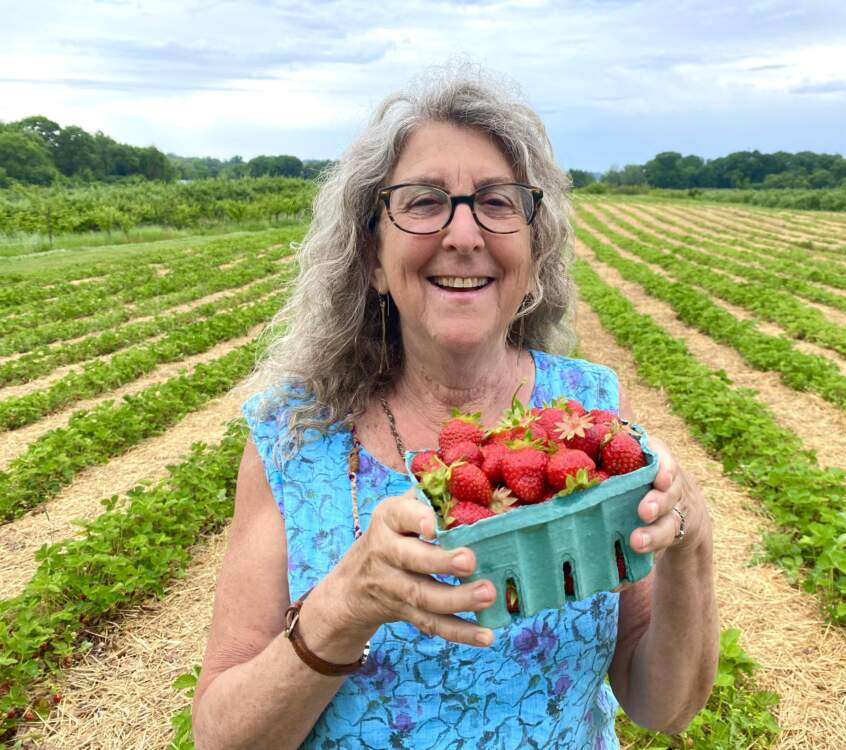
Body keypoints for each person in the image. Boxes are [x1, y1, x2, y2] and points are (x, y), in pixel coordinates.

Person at [191, 67, 718, 750]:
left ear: (534, 252)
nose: (464, 233)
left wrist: (690, 548)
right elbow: (221, 740)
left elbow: (662, 708)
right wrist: (343, 606)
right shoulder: (297, 438)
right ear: (372, 258)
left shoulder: (587, 415)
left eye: (497, 203)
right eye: (423, 201)